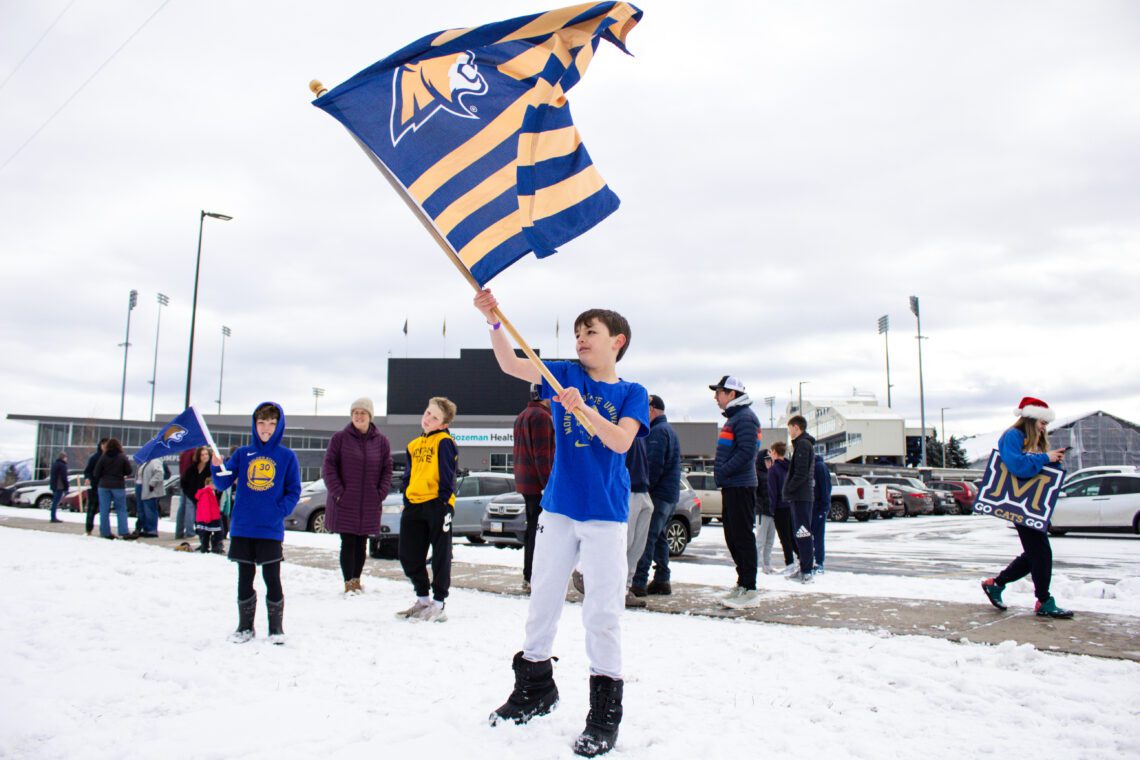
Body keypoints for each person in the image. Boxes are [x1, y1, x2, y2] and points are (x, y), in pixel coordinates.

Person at [477, 290, 648, 759]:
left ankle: (604, 714)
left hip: (605, 516)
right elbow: (512, 364)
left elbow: (617, 443)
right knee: (543, 599)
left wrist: (581, 409)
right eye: (576, 333)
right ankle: (535, 689)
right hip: (557, 509)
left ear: (618, 341)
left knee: (602, 610)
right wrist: (493, 320)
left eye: (590, 332)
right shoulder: (563, 373)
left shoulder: (631, 393)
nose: (580, 340)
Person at [210, 402, 302, 644]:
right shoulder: (243, 454)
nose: (266, 428)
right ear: (254, 424)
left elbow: (293, 491)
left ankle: (276, 629)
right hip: (243, 527)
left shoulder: (286, 457)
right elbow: (222, 483)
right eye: (261, 423)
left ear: (279, 426)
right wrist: (216, 465)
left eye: (272, 423)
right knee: (245, 577)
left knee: (272, 577)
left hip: (270, 529)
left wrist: (278, 510)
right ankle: (245, 627)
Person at [982, 397, 1073, 619]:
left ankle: (996, 584)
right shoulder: (1013, 436)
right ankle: (1043, 600)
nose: (1044, 428)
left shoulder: (1026, 439)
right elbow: (1017, 466)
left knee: (1035, 553)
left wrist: (1051, 460)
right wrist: (1045, 457)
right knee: (1040, 552)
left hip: (1029, 504)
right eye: (1042, 423)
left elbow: (1031, 466)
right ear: (1031, 419)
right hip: (1019, 503)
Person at [395, 397, 458, 623]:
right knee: (408, 554)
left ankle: (439, 603)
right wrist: (407, 495)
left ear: (443, 424)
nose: (428, 418)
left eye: (435, 417)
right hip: (414, 505)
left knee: (440, 555)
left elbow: (448, 474)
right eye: (427, 413)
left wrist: (444, 503)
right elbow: (408, 475)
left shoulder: (444, 442)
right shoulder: (413, 445)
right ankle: (422, 599)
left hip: (437, 505)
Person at [323, 397, 393, 594]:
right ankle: (349, 583)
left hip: (369, 502)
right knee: (348, 542)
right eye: (355, 413)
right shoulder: (339, 438)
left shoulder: (381, 442)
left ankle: (356, 580)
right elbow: (328, 467)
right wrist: (339, 493)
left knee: (361, 543)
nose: (359, 416)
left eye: (363, 413)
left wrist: (380, 493)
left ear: (370, 416)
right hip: (345, 501)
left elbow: (387, 469)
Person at [710, 375, 762, 608]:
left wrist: (723, 472)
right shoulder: (736, 418)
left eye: (719, 392)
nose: (716, 397)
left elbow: (746, 453)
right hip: (732, 485)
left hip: (740, 485)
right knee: (732, 536)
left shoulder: (746, 418)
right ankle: (743, 584)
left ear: (732, 394)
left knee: (742, 536)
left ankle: (750, 589)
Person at [632, 394, 681, 596]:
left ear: (651, 409)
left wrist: (645, 490)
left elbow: (653, 465)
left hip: (658, 495)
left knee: (646, 538)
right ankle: (662, 579)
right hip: (669, 495)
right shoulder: (667, 430)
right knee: (659, 537)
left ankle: (638, 583)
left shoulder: (658, 432)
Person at [512, 385, 554, 592]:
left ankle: (529, 576)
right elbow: (542, 455)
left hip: (526, 484)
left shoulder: (522, 416)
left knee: (533, 532)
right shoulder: (542, 418)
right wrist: (549, 487)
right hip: (539, 486)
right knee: (541, 533)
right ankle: (533, 577)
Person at [782, 415, 817, 583]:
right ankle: (804, 566)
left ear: (796, 427)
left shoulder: (803, 445)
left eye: (789, 428)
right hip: (800, 496)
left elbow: (801, 473)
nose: (789, 432)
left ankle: (807, 570)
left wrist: (788, 489)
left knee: (803, 532)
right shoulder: (802, 444)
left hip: (801, 496)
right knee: (800, 532)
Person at [93, 438, 133, 539]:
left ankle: (105, 532)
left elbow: (96, 472)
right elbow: (128, 471)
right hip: (118, 485)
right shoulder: (122, 457)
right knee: (121, 509)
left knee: (104, 510)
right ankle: (123, 531)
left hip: (104, 486)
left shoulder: (103, 457)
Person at [767, 443, 796, 571]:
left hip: (779, 507)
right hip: (791, 505)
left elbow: (772, 492)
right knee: (792, 535)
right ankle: (803, 559)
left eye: (771, 452)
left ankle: (789, 563)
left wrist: (771, 509)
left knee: (784, 538)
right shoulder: (790, 467)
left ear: (774, 452)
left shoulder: (773, 470)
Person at [180, 447, 212, 543]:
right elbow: (184, 482)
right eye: (202, 455)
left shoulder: (211, 468)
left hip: (206, 498)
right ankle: (198, 536)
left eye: (206, 454)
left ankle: (206, 540)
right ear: (198, 456)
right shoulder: (193, 468)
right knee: (195, 517)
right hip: (193, 496)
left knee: (206, 520)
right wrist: (189, 493)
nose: (205, 456)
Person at [755, 452, 778, 574]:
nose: (769, 462)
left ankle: (767, 564)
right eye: (766, 460)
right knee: (760, 540)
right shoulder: (757, 474)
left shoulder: (772, 474)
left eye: (770, 460)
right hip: (762, 512)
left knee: (770, 540)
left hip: (772, 512)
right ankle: (757, 564)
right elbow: (755, 494)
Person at [811, 456, 832, 574]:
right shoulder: (816, 466)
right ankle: (815, 560)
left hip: (819, 508)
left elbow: (824, 489)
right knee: (814, 535)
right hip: (816, 507)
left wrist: (823, 507)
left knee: (818, 536)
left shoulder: (819, 467)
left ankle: (819, 562)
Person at [83, 439, 108, 535]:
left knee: (104, 510)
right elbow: (87, 471)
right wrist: (87, 478)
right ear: (100, 445)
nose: (105, 446)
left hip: (106, 486)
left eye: (107, 445)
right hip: (95, 486)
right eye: (103, 444)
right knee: (92, 508)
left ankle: (104, 530)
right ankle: (88, 529)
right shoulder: (94, 457)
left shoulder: (110, 457)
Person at [137, 456, 166, 537]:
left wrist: (152, 483)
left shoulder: (155, 461)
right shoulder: (145, 461)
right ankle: (145, 528)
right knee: (142, 509)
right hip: (141, 486)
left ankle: (152, 530)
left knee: (149, 509)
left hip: (149, 489)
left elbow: (160, 473)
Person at [174, 447, 199, 540]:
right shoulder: (194, 452)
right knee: (190, 506)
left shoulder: (183, 453)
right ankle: (190, 531)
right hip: (191, 482)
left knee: (182, 506)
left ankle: (178, 532)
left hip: (183, 481)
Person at [195, 477, 224, 553]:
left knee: (209, 533)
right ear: (209, 484)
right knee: (207, 534)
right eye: (214, 483)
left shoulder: (211, 492)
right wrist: (207, 518)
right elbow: (205, 506)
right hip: (208, 518)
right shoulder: (206, 493)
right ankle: (206, 548)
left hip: (212, 517)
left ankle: (211, 547)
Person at [49, 451, 69, 523]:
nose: (67, 459)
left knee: (55, 501)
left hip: (54, 485)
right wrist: (66, 486)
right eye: (66, 457)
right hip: (59, 486)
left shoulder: (55, 464)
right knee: (56, 502)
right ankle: (53, 517)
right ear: (63, 458)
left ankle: (53, 516)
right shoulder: (62, 465)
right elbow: (64, 477)